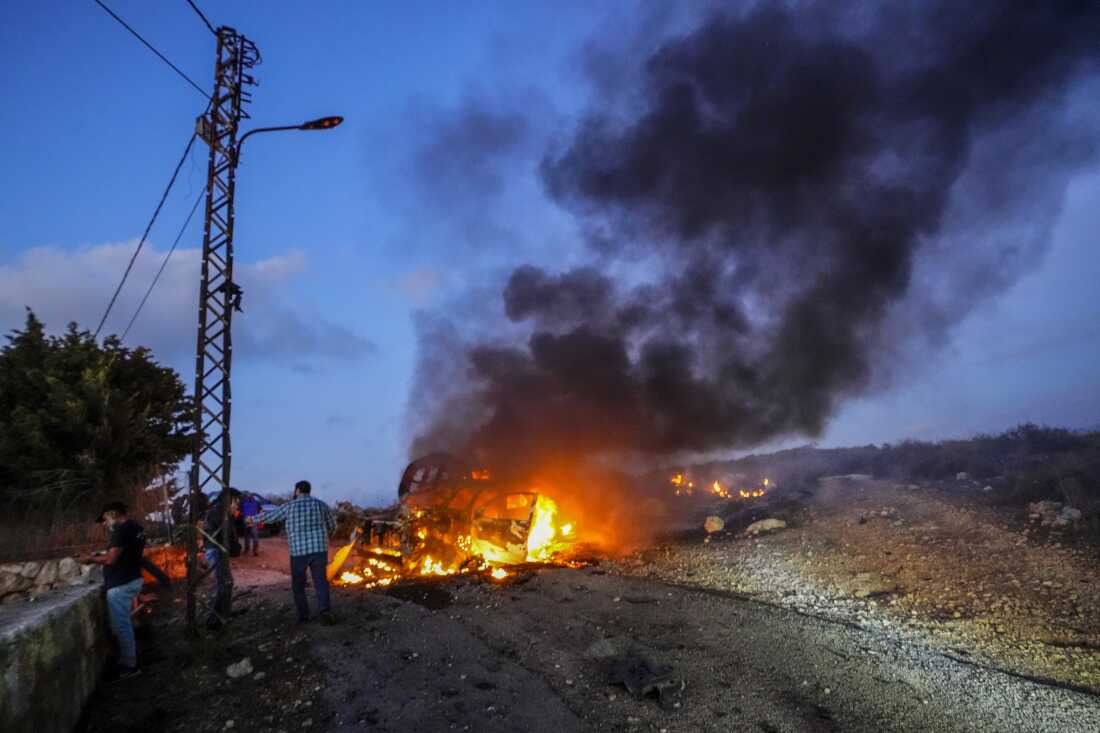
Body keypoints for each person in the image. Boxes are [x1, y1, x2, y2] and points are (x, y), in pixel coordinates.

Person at [247, 480, 336, 624]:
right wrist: (326, 538)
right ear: (309, 491)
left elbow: (271, 516)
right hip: (319, 550)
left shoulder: (289, 506)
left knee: (298, 585)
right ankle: (325, 613)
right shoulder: (321, 505)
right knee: (321, 583)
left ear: (297, 491)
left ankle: (303, 616)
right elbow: (332, 524)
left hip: (298, 552)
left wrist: (252, 519)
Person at [79, 501, 146, 679]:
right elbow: (124, 554)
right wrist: (98, 556)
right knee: (124, 623)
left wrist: (90, 559)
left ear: (113, 514)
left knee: (121, 626)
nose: (104, 523)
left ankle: (129, 666)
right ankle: (129, 658)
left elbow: (111, 559)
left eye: (105, 518)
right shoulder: (136, 527)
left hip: (121, 583)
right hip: (132, 578)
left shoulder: (121, 530)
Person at [203, 488, 241, 629]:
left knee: (227, 582)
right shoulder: (218, 512)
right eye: (236, 501)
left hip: (218, 550)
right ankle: (214, 619)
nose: (237, 504)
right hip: (215, 550)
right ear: (229, 499)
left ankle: (223, 614)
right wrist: (235, 548)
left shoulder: (222, 512)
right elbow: (227, 533)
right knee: (223, 583)